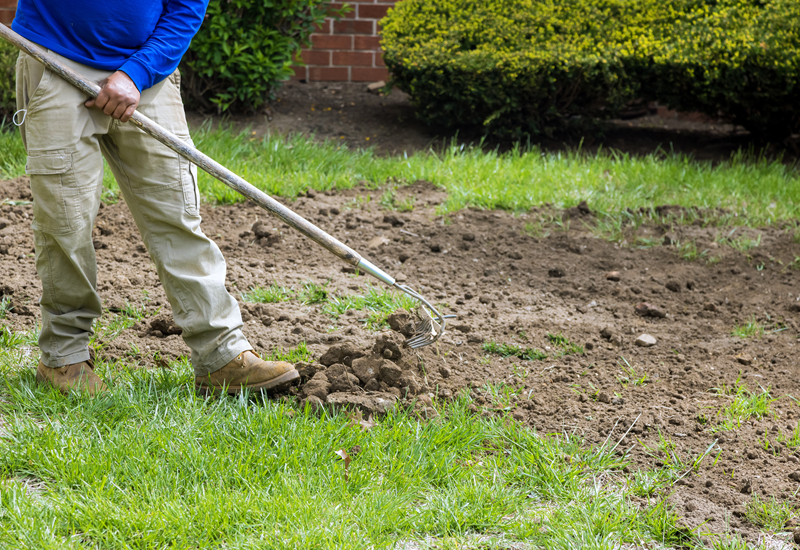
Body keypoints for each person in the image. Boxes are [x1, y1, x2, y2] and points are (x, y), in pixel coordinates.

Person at [12, 0, 299, 395]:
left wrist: (137, 73)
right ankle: (64, 356)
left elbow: (187, 6)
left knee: (176, 214)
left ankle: (222, 356)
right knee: (65, 222)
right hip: (55, 61)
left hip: (147, 71)